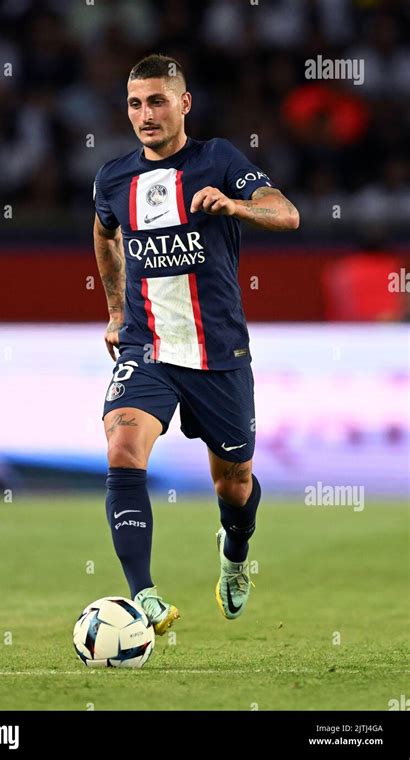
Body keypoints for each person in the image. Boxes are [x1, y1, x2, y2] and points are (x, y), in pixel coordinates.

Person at [93, 54, 299, 635]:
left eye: (157, 100)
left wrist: (236, 205)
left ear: (184, 103)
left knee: (233, 484)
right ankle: (144, 598)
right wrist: (114, 308)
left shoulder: (219, 160)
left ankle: (235, 552)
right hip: (147, 346)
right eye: (135, 103)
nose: (145, 114)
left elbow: (288, 213)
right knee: (122, 449)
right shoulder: (113, 178)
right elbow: (104, 230)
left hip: (218, 352)